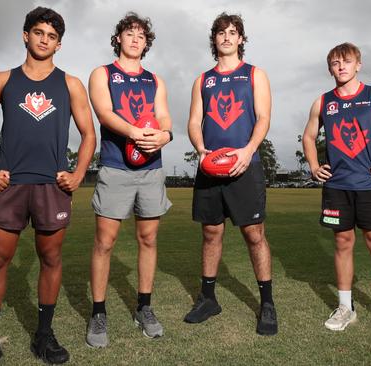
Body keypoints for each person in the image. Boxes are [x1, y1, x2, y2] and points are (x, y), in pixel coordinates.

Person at [0, 7, 96, 365]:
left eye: (51, 36)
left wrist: (79, 174)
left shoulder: (70, 84)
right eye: (38, 33)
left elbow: (88, 135)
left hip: (52, 187)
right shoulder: (2, 80)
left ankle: (43, 335)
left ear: (59, 44)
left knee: (51, 258)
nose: (44, 40)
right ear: (26, 35)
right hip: (10, 187)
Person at [302, 42, 371, 341]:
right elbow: (309, 136)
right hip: (337, 186)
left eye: (346, 61)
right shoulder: (323, 103)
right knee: (343, 243)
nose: (341, 66)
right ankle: (344, 308)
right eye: (335, 62)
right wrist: (314, 166)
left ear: (358, 65)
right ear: (330, 68)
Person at [184, 12, 277, 336]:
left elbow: (263, 117)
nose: (226, 37)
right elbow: (195, 121)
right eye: (221, 32)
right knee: (211, 233)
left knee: (254, 234)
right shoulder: (202, 80)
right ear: (214, 39)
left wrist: (248, 150)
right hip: (211, 167)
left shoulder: (255, 75)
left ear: (241, 39)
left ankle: (266, 303)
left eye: (232, 32)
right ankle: (208, 298)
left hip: (244, 166)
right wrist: (200, 150)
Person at [86, 12, 173, 348]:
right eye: (130, 33)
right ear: (118, 38)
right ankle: (98, 312)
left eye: (141, 35)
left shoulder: (155, 80)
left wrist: (164, 135)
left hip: (151, 169)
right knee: (105, 242)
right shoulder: (102, 74)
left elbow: (164, 115)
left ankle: (144, 308)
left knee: (148, 238)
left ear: (146, 43)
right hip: (115, 166)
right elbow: (105, 113)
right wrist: (137, 133)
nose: (136, 39)